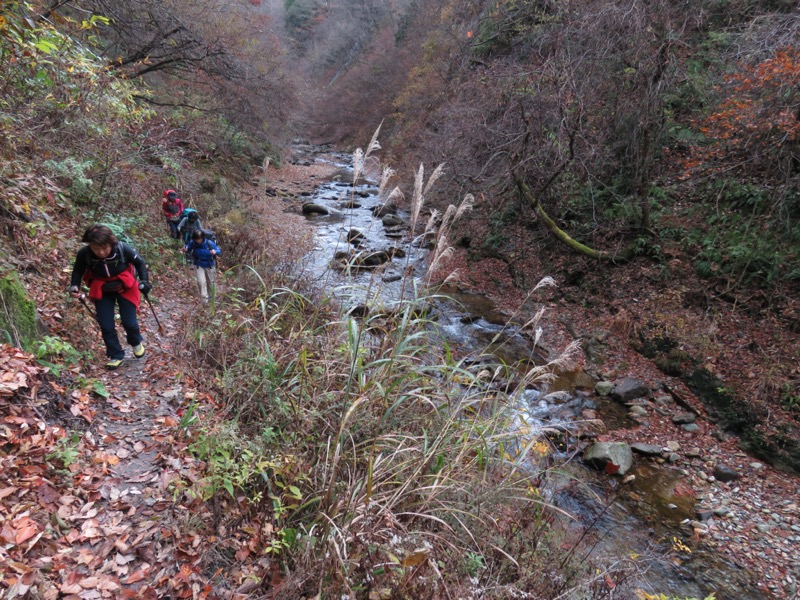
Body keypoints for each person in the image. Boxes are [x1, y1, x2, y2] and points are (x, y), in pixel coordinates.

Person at [69, 224, 152, 369]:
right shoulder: (85, 254)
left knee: (130, 323)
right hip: (102, 290)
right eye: (96, 248)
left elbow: (139, 262)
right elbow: (78, 270)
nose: (101, 252)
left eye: (104, 248)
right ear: (90, 246)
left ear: (111, 243)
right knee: (106, 325)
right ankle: (115, 354)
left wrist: (144, 281)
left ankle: (135, 342)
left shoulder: (122, 248)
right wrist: (74, 285)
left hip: (125, 287)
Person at [183, 229, 221, 303]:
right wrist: (186, 248)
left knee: (211, 282)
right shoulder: (193, 243)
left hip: (209, 264)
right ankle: (204, 300)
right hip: (199, 264)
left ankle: (211, 298)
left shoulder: (209, 243)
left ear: (202, 238)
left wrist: (215, 251)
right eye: (196, 239)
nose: (198, 241)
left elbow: (219, 250)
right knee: (201, 282)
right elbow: (188, 248)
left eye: (199, 239)